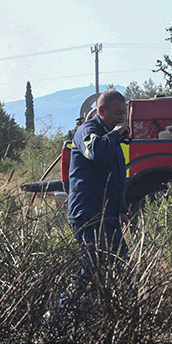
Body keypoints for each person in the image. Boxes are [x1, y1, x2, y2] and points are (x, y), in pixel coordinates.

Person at [65, 89, 130, 302]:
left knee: (121, 263)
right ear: (101, 110)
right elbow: (95, 151)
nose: (122, 119)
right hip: (88, 213)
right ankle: (60, 312)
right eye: (117, 113)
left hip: (107, 214)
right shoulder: (88, 130)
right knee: (92, 267)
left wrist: (121, 209)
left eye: (124, 114)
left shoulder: (111, 136)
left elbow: (117, 174)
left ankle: (117, 311)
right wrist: (117, 133)